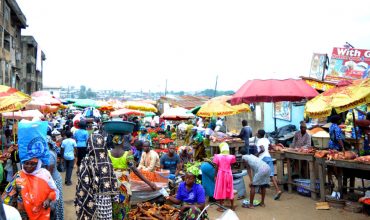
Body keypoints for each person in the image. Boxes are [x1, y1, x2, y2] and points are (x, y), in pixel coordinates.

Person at [108, 135, 157, 219]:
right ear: (123, 142)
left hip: (110, 183)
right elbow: (135, 170)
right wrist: (150, 183)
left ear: (113, 142)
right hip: (123, 184)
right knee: (123, 204)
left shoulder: (108, 153)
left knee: (112, 204)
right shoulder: (128, 154)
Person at [75, 134, 118, 219]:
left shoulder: (87, 160)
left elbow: (83, 183)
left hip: (92, 200)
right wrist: (114, 197)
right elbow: (113, 180)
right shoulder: (107, 160)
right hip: (106, 201)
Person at [253, 129, 282, 200]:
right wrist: (274, 149)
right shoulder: (266, 139)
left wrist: (256, 154)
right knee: (271, 175)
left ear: (259, 135)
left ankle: (259, 189)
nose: (256, 134)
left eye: (257, 133)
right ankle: (278, 190)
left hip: (263, 159)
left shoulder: (259, 141)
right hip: (268, 157)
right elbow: (271, 147)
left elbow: (262, 149)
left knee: (260, 173)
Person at [213, 142, 236, 211]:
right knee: (230, 189)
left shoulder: (217, 156)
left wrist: (215, 175)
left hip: (221, 174)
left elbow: (216, 167)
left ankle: (221, 206)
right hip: (229, 174)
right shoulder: (231, 157)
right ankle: (232, 206)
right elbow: (232, 165)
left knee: (221, 189)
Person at [47, 139, 64, 220]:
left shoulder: (49, 154)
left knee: (55, 204)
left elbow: (48, 173)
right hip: (54, 180)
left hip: (54, 181)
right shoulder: (48, 153)